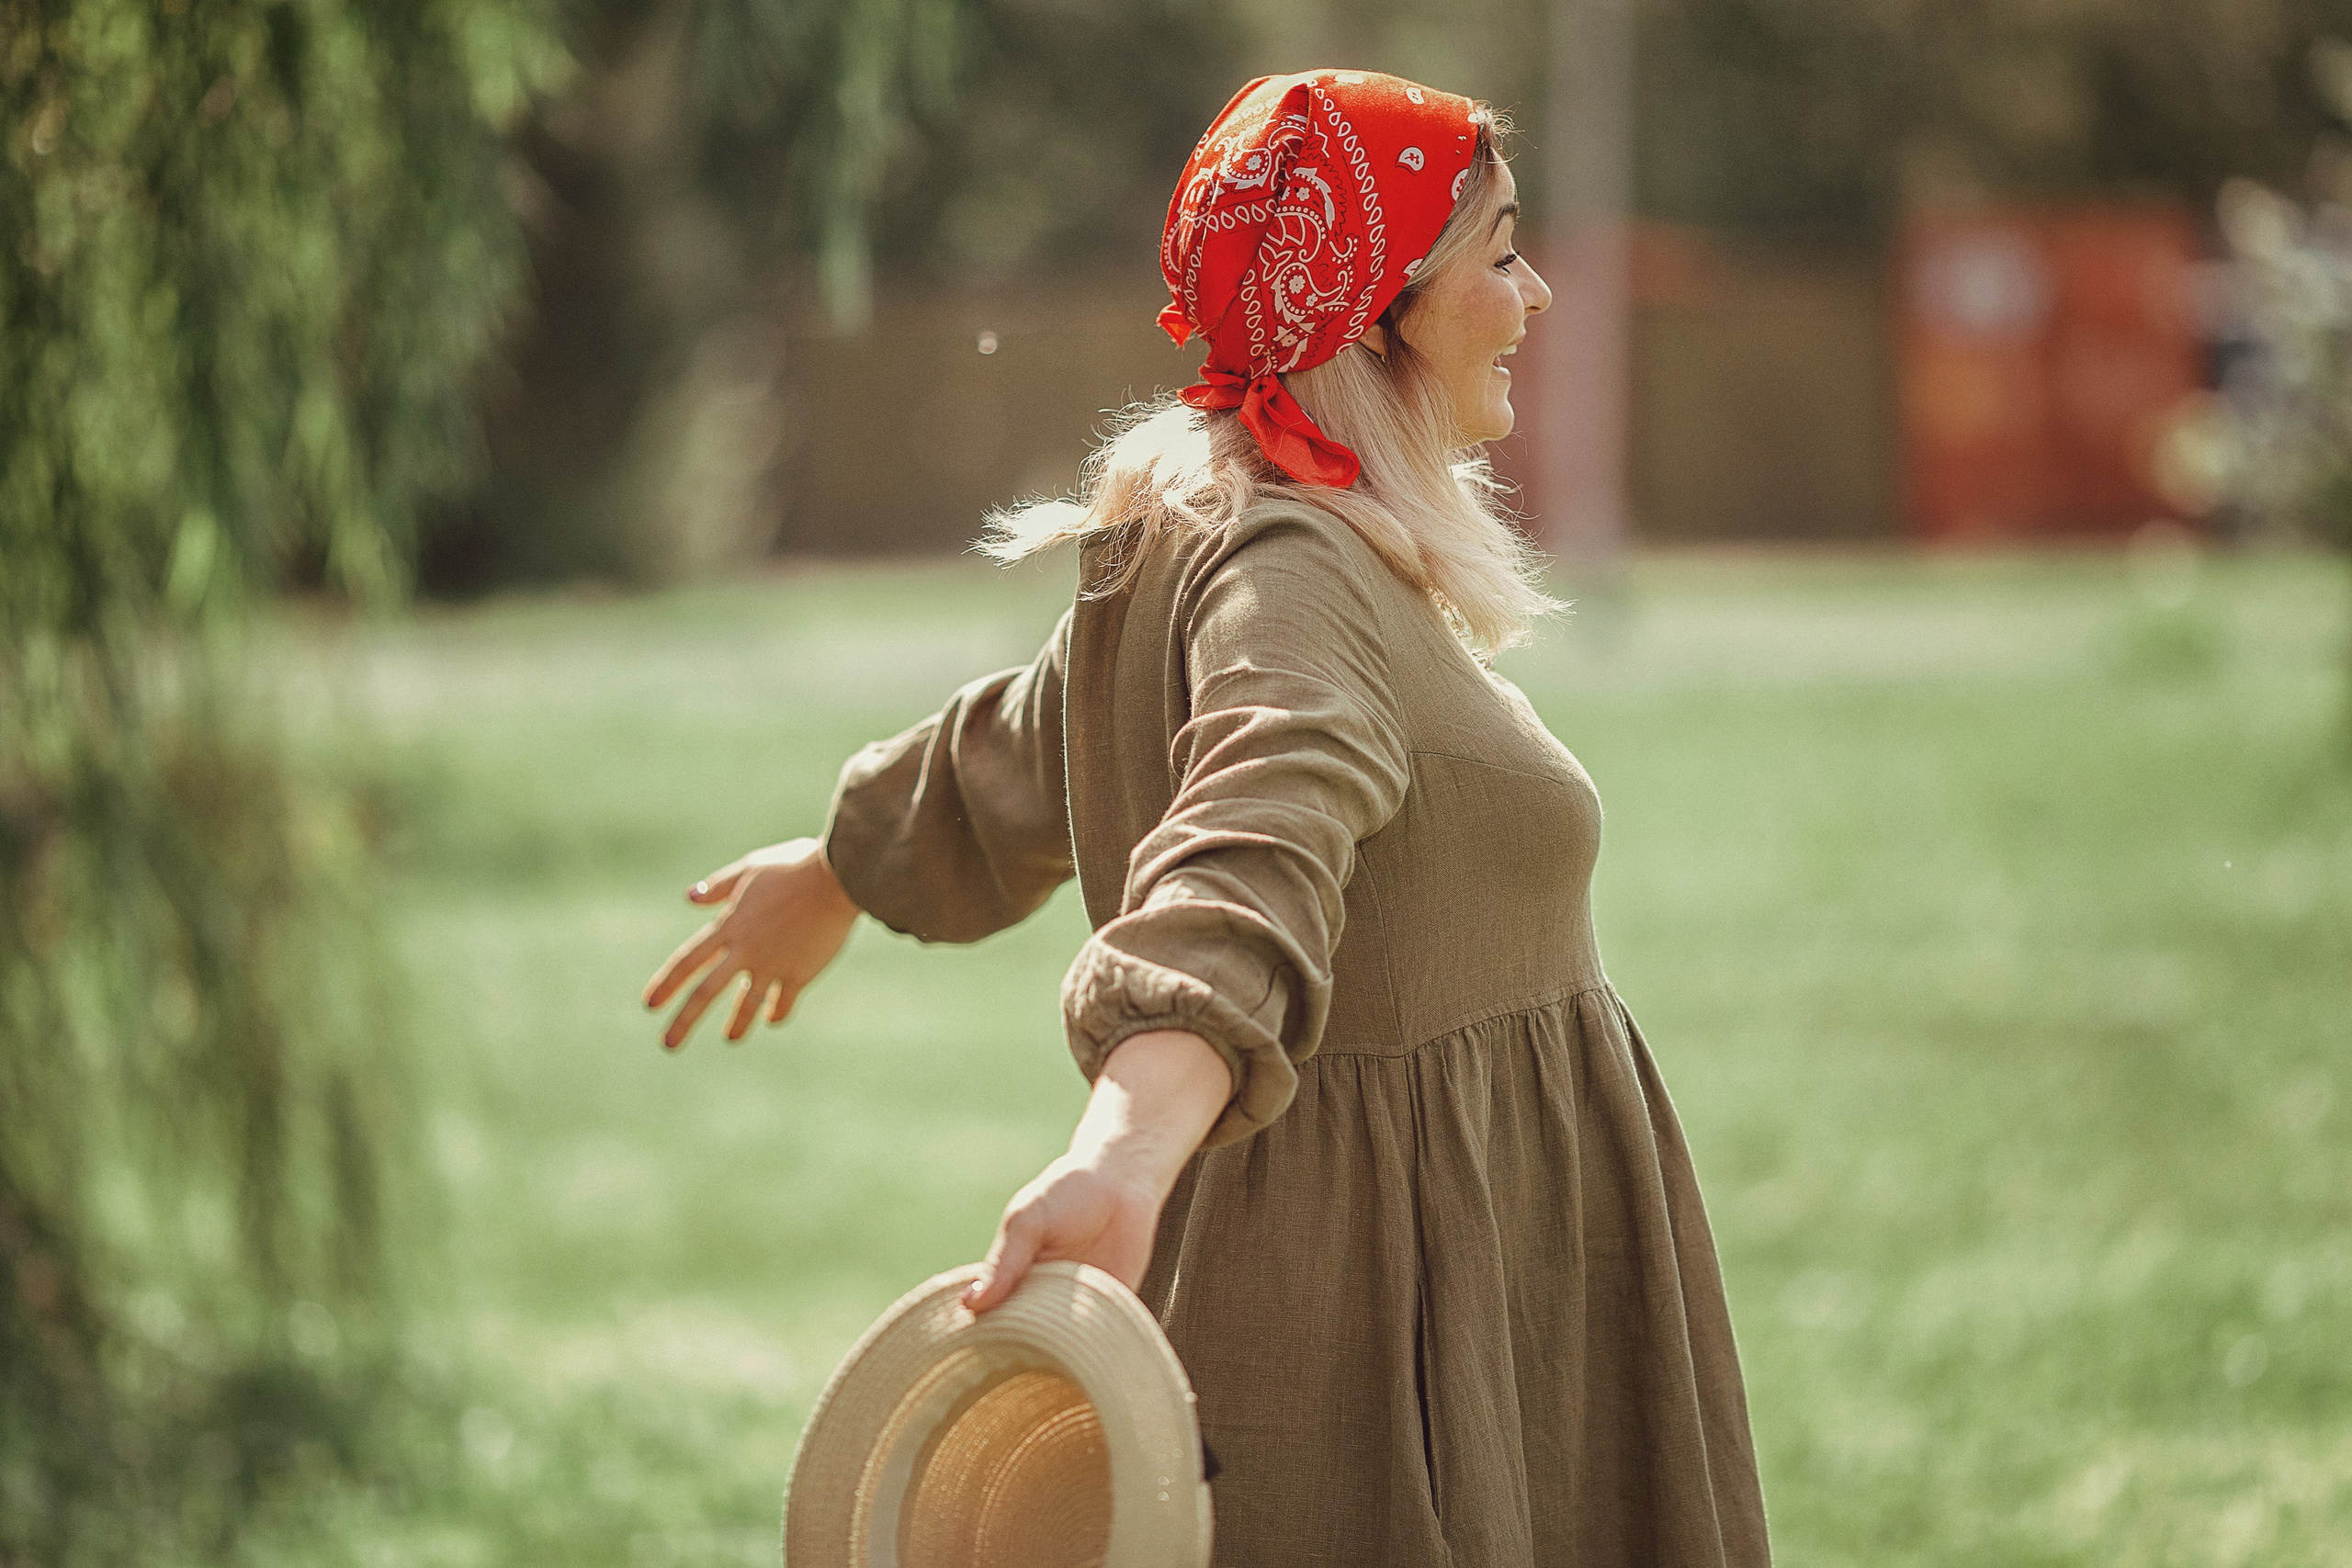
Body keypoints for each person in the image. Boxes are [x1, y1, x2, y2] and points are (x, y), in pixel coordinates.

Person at [645, 68, 1770, 1568]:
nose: (1536, 290)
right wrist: (1124, 1146)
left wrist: (844, 867)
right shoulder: (1290, 569)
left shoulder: (1219, 532)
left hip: (1469, 1244)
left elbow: (1035, 742)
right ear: (1375, 309)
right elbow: (1251, 834)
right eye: (1499, 251)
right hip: (1389, 1292)